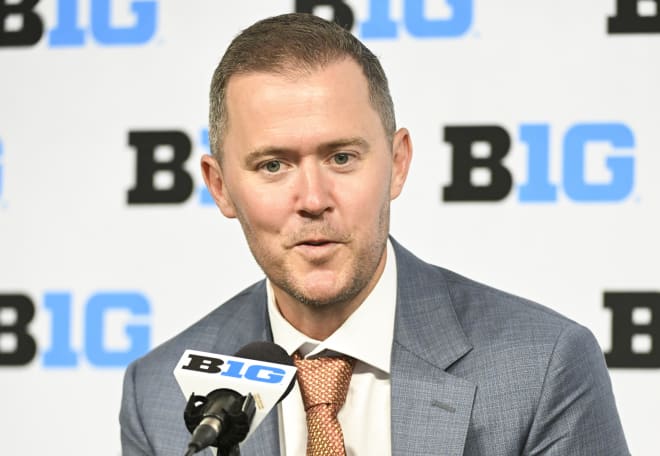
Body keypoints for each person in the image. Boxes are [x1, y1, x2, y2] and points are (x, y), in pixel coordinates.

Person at [120, 12, 629, 456]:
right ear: (220, 186)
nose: (313, 199)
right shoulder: (159, 396)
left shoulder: (541, 368)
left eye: (342, 158)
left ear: (398, 164)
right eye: (273, 165)